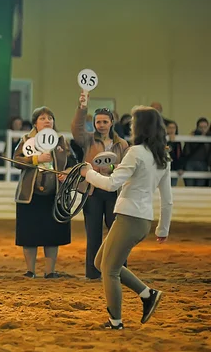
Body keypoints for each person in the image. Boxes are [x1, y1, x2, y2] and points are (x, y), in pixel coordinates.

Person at [80, 106, 172, 330]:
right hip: (142, 221)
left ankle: (116, 321)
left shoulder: (136, 151)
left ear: (140, 126)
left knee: (109, 270)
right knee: (100, 262)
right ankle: (147, 294)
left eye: (133, 121)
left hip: (129, 218)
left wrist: (87, 172)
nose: (130, 125)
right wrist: (162, 229)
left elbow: (112, 184)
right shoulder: (162, 156)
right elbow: (167, 199)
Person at [71, 91, 129, 280]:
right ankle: (93, 273)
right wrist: (82, 107)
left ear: (112, 122)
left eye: (105, 121)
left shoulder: (122, 144)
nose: (101, 125)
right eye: (98, 122)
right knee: (93, 234)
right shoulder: (87, 139)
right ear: (94, 123)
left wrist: (112, 167)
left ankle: (120, 272)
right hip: (92, 191)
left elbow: (127, 167)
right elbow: (76, 128)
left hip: (115, 192)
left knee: (117, 235)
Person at [13, 106, 76, 279]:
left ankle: (50, 271)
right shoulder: (26, 140)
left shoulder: (62, 141)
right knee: (29, 234)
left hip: (55, 195)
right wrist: (35, 159)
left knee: (52, 234)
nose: (47, 121)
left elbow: (73, 162)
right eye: (42, 118)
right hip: (30, 196)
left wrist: (68, 171)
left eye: (50, 118)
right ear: (35, 123)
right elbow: (15, 161)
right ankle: (30, 270)